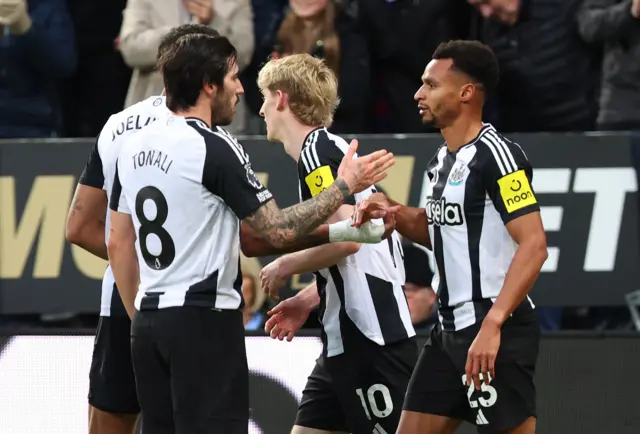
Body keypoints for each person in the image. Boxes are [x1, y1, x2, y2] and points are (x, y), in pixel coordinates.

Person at [106, 33, 395, 434]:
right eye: (233, 77)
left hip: (148, 321)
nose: (240, 88)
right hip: (204, 320)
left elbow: (117, 240)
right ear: (209, 85)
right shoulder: (216, 146)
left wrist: (140, 317)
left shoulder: (131, 147)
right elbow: (276, 230)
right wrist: (343, 186)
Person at [352, 40, 548, 434]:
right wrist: (395, 213)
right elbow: (443, 230)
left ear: (465, 92)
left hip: (495, 329)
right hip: (447, 333)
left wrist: (493, 325)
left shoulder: (499, 156)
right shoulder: (441, 159)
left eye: (430, 85)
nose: (418, 94)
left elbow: (535, 245)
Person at [65, 23, 220, 434]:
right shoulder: (209, 133)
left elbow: (78, 227)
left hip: (122, 294)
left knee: (109, 423)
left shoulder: (119, 125)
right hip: (191, 305)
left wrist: (137, 260)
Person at [257, 53, 417, 434]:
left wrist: (286, 263)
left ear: (281, 98)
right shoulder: (329, 149)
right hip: (342, 337)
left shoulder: (317, 153)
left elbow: (352, 239)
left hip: (369, 336)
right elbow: (362, 244)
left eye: (264, 97)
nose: (260, 109)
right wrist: (309, 299)